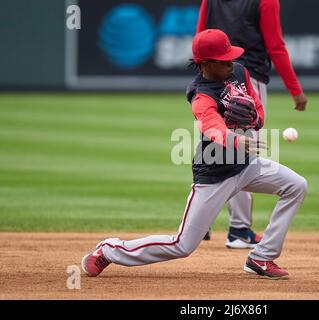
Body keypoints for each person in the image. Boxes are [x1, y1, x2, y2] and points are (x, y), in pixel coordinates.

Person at [81, 29, 307, 280]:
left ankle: (262, 257)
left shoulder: (240, 71)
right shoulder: (201, 94)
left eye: (231, 56)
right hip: (215, 174)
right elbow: (211, 126)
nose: (231, 63)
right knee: (182, 245)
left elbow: (257, 106)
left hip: (246, 166)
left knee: (296, 185)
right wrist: (234, 139)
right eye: (224, 60)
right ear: (206, 64)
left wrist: (255, 118)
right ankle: (109, 249)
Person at [197, 0, 308, 246]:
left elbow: (200, 37)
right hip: (248, 77)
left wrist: (201, 80)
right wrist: (295, 89)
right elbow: (276, 46)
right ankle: (238, 229)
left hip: (212, 77)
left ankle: (202, 219)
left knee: (214, 148)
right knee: (241, 154)